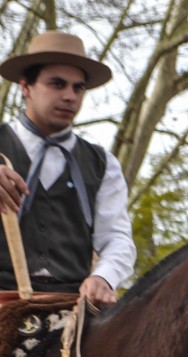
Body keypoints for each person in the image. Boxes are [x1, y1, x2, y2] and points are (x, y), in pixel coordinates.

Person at [0, 31, 135, 304]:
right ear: (26, 87)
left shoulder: (103, 164)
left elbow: (117, 238)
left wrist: (103, 277)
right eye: (57, 84)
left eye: (78, 87)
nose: (70, 96)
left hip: (71, 305)